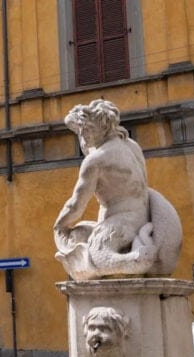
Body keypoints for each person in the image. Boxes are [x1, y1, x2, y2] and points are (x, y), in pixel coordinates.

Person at [53, 99, 182, 280]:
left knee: (97, 256)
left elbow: (76, 205)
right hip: (141, 217)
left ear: (104, 127)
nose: (82, 135)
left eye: (87, 129)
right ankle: (138, 251)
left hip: (123, 222)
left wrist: (59, 225)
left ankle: (137, 259)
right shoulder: (131, 146)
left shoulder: (96, 160)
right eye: (80, 131)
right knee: (81, 232)